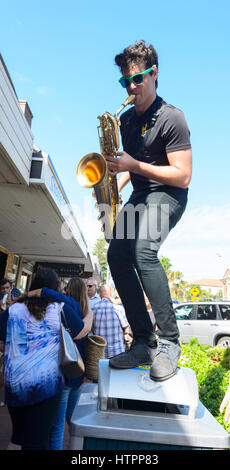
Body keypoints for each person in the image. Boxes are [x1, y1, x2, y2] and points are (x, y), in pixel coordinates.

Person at [105, 40, 192, 381]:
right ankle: (143, 340)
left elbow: (183, 175)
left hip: (168, 193)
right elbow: (126, 167)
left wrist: (134, 165)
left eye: (138, 79)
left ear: (154, 74)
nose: (131, 87)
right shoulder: (126, 120)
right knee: (116, 256)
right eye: (125, 81)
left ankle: (169, 342)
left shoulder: (173, 117)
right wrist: (110, 193)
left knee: (143, 250)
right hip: (140, 194)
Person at [0, 269, 86, 450]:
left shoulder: (13, 309)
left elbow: (2, 341)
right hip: (46, 386)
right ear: (54, 288)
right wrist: (90, 315)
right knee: (37, 441)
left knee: (17, 438)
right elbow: (80, 332)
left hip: (14, 384)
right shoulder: (59, 309)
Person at [92, 284, 130, 359]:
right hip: (117, 351)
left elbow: (90, 328)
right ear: (111, 294)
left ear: (99, 294)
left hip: (100, 350)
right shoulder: (118, 308)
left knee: (101, 370)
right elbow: (126, 328)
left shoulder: (93, 308)